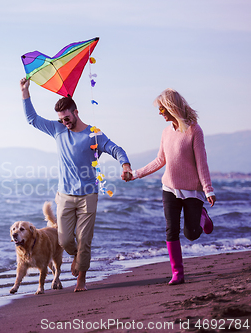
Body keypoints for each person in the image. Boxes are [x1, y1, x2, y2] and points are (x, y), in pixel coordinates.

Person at [20, 78, 132, 292]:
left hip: (88, 195)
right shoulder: (57, 130)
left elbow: (115, 148)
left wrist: (125, 164)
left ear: (76, 112)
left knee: (84, 239)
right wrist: (25, 92)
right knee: (63, 239)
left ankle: (81, 279)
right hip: (64, 196)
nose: (65, 123)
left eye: (67, 118)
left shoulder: (93, 133)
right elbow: (32, 119)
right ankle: (77, 257)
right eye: (61, 119)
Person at [126, 88, 216, 285]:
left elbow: (202, 163)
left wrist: (208, 189)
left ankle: (202, 216)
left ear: (171, 107)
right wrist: (135, 174)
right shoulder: (166, 132)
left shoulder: (194, 130)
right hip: (169, 189)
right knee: (171, 230)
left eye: (162, 109)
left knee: (191, 234)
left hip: (192, 190)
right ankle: (178, 273)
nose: (160, 113)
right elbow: (160, 160)